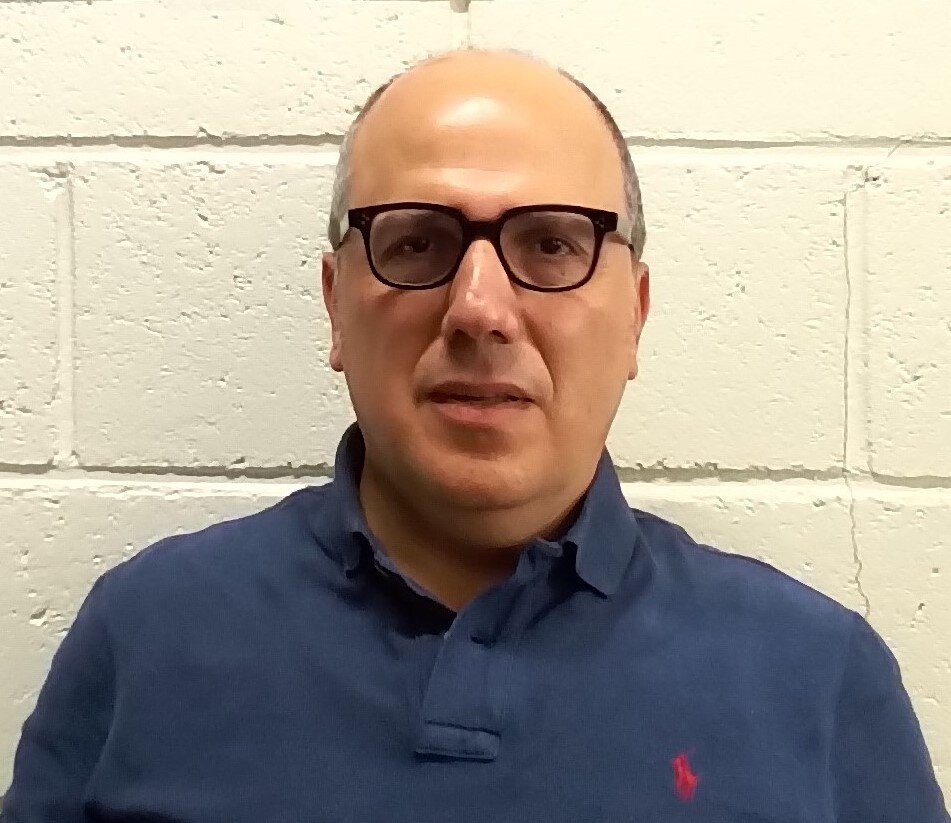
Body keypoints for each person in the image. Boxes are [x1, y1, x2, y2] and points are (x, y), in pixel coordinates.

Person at [2, 47, 947, 823]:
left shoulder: (816, 675)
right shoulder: (147, 633)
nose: (480, 309)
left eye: (552, 243)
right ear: (335, 306)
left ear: (634, 315)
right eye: (416, 241)